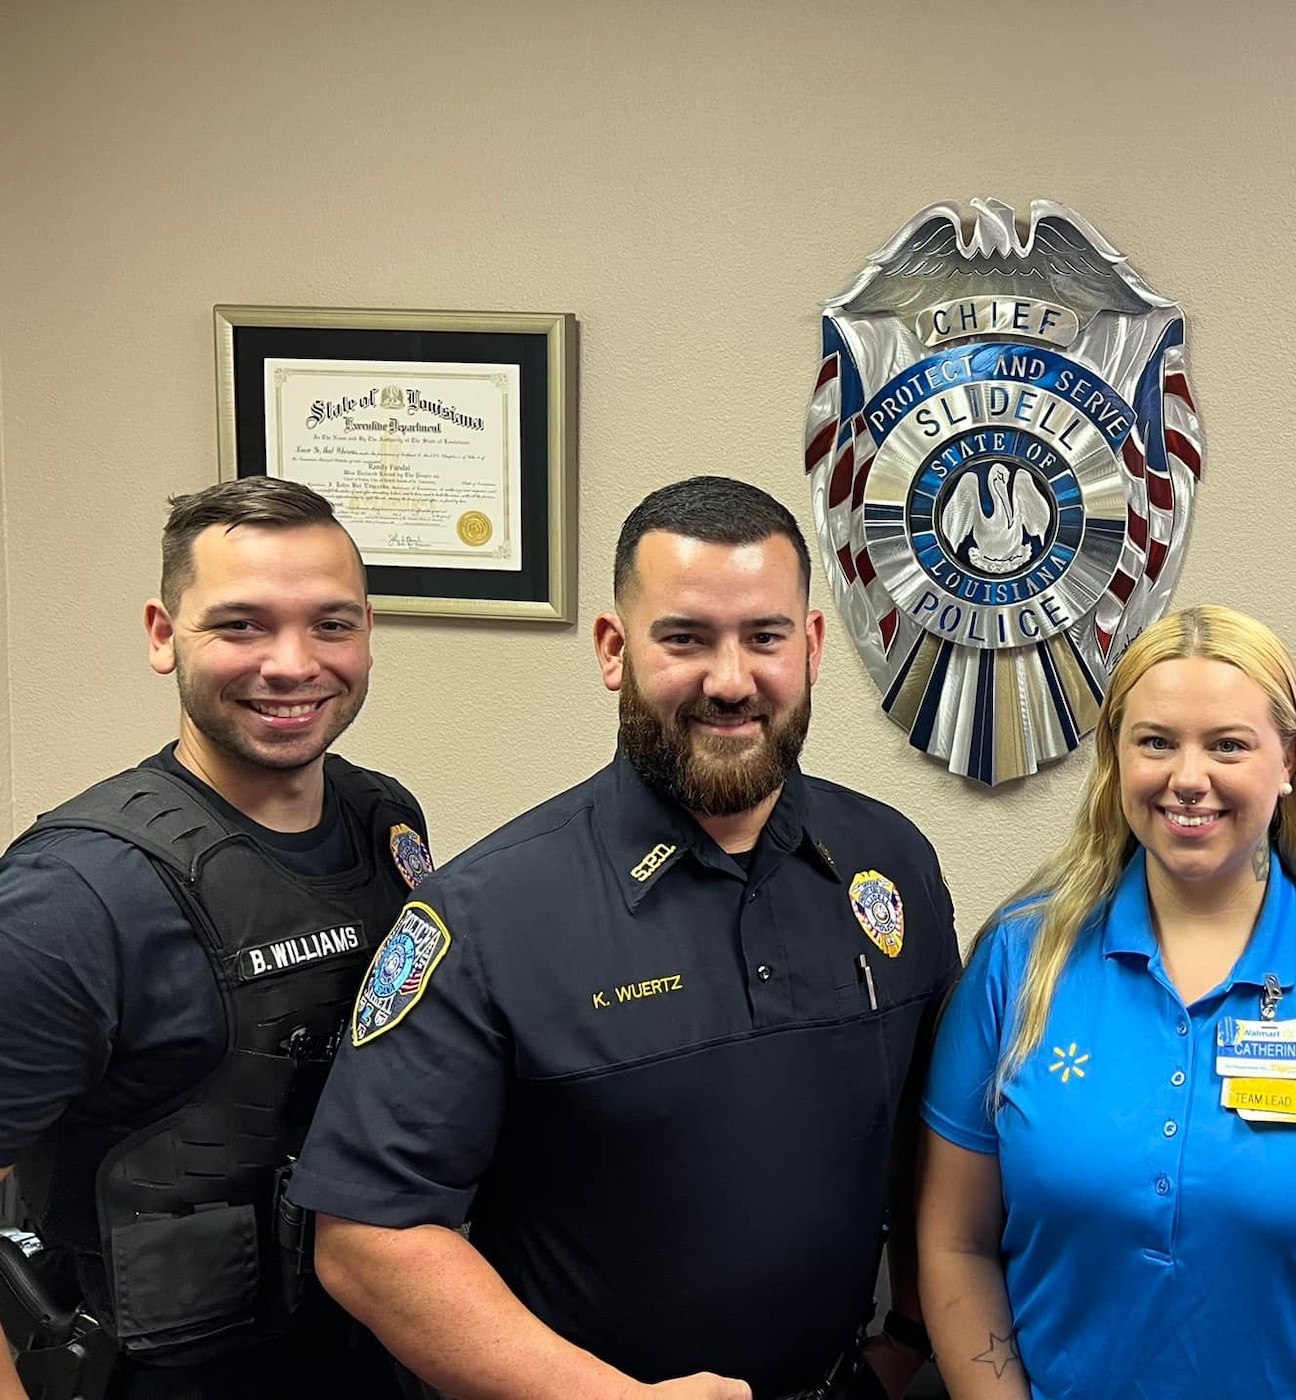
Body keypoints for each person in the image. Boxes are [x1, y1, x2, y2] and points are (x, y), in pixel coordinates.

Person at [290, 476, 959, 1400]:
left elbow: (939, 1136)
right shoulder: (486, 914)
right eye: (684, 638)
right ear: (615, 649)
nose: (731, 682)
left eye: (765, 638)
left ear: (809, 649)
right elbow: (367, 1238)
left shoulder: (893, 862)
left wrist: (910, 1335)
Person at [918, 605, 1296, 1400]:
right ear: (1116, 759)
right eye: (1156, 742)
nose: (1189, 778)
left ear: (1288, 759)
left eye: (1228, 744)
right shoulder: (1019, 964)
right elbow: (956, 1245)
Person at [0, 477, 430, 1400]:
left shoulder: (383, 818)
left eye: (332, 623)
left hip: (363, 1350)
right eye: (240, 625)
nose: (292, 663)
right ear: (163, 634)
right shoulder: (75, 894)